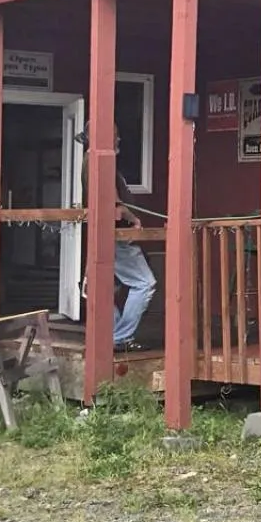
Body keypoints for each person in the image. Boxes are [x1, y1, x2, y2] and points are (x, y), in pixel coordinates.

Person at [76, 122, 156, 352]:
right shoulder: (100, 160)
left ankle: (113, 335)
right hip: (115, 233)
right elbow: (114, 204)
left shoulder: (90, 160)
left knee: (105, 285)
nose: (118, 140)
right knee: (144, 283)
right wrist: (133, 219)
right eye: (115, 135)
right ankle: (119, 337)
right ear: (100, 136)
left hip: (103, 233)